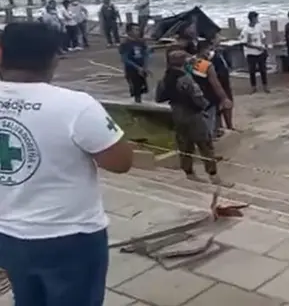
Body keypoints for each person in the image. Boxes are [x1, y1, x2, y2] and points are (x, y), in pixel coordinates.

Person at [0, 22, 134, 306]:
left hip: (8, 233)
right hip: (71, 235)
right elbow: (121, 162)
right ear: (54, 58)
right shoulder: (75, 106)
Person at [156, 50, 232, 187]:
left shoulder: (165, 79)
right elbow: (197, 98)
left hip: (177, 113)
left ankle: (189, 173)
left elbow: (159, 97)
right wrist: (204, 107)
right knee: (205, 145)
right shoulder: (185, 78)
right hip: (192, 115)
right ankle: (214, 176)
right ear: (182, 62)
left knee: (185, 146)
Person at [192, 42, 233, 139]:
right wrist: (224, 98)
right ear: (202, 50)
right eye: (208, 50)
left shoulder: (191, 62)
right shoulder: (206, 65)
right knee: (210, 121)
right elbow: (215, 83)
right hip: (208, 96)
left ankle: (212, 134)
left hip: (196, 95)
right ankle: (209, 143)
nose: (209, 52)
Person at [119, 23, 150, 103]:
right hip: (132, 70)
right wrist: (137, 67)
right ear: (129, 32)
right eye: (135, 30)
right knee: (136, 90)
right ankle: (138, 103)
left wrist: (145, 66)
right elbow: (125, 59)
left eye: (138, 30)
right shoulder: (125, 44)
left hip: (142, 68)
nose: (138, 32)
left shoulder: (141, 42)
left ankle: (140, 102)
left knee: (142, 88)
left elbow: (146, 54)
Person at [239, 11, 269, 93]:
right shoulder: (246, 30)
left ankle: (265, 86)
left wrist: (265, 46)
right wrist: (256, 47)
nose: (257, 19)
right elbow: (244, 43)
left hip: (260, 51)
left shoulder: (259, 26)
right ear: (252, 19)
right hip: (251, 53)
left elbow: (263, 36)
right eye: (256, 18)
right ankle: (253, 87)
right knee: (252, 71)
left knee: (263, 69)